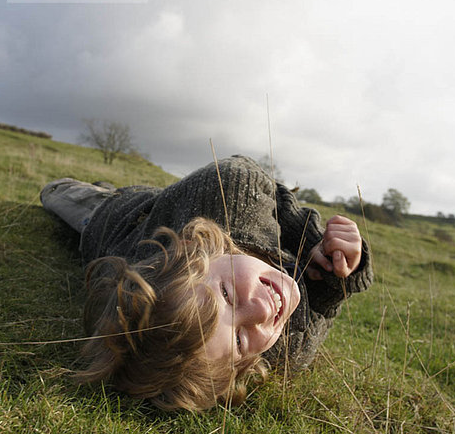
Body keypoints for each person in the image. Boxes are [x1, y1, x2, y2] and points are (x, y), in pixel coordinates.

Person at [40, 155, 373, 411]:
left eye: (227, 295)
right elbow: (318, 316)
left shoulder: (228, 195)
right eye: (240, 341)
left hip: (113, 219)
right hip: (152, 221)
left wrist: (308, 235)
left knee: (58, 193)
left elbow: (241, 170)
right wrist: (331, 270)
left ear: (196, 250)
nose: (261, 311)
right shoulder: (284, 353)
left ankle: (83, 188)